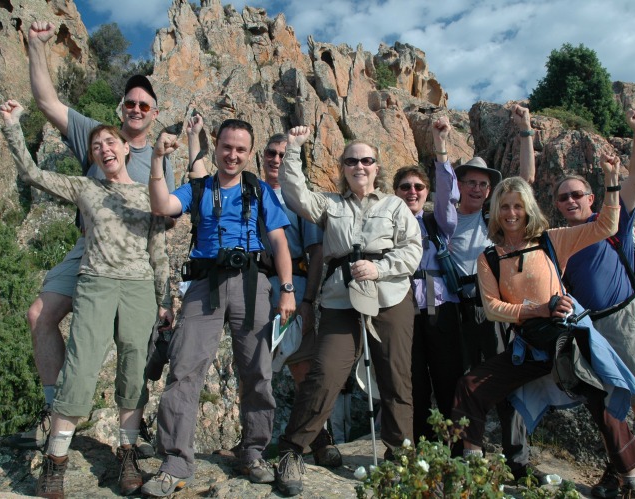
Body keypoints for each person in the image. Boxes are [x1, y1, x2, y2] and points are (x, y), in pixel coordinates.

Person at [6, 21, 175, 451]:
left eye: (144, 105)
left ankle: (129, 442)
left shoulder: (158, 164)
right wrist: (37, 45)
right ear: (120, 110)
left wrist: (165, 294)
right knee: (40, 315)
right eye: (130, 104)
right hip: (91, 250)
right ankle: (54, 413)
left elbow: (163, 223)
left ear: (153, 113)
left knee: (133, 353)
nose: (136, 109)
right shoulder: (95, 137)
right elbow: (46, 100)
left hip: (135, 259)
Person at [450, 158, 635, 485]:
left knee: (601, 401)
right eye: (504, 207)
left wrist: (612, 182)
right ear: (495, 211)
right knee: (471, 386)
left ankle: (628, 476)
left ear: (527, 209)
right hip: (529, 345)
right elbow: (493, 309)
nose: (511, 214)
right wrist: (537, 309)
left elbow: (607, 226)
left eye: (517, 206)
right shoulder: (489, 258)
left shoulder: (551, 240)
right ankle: (472, 468)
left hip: (566, 340)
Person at [141, 118, 296, 497]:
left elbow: (278, 242)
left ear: (249, 153)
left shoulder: (259, 190)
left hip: (251, 283)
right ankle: (176, 461)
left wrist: (287, 290)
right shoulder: (199, 187)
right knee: (185, 368)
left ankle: (253, 451)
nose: (233, 154)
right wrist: (158, 160)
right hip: (205, 284)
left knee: (257, 370)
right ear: (217, 145)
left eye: (241, 149)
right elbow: (162, 204)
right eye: (227, 147)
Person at [274, 126, 423, 496]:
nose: (359, 165)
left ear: (376, 167)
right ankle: (293, 450)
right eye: (352, 160)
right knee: (325, 370)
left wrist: (380, 268)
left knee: (396, 373)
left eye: (366, 160)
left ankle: (399, 451)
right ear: (342, 167)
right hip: (342, 299)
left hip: (390, 296)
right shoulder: (331, 205)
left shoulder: (395, 205)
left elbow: (411, 250)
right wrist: (293, 149)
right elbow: (295, 194)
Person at [186, 128, 341, 466]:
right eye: (271, 154)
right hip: (250, 284)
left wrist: (307, 299)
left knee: (301, 366)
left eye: (283, 155)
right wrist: (194, 139)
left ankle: (317, 439)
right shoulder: (247, 191)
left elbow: (315, 254)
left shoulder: (299, 199)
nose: (276, 160)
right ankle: (250, 444)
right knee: (252, 366)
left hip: (292, 287)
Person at [553, 108, 635, 498]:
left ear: (592, 197)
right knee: (610, 408)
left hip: (625, 318)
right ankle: (624, 475)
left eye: (577, 194)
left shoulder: (614, 220)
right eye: (563, 197)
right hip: (591, 328)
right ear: (556, 205)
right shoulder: (559, 240)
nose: (570, 200)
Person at [439, 106, 539, 480]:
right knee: (463, 383)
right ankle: (467, 453)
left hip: (494, 309)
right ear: (459, 184)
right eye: (471, 182)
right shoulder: (444, 217)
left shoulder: (494, 219)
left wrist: (525, 131)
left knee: (505, 380)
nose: (478, 189)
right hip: (457, 309)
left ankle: (519, 460)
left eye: (484, 184)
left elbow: (525, 182)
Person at [392, 118, 460, 444]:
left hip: (439, 305)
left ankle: (456, 445)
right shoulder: (386, 227)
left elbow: (448, 195)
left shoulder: (438, 222)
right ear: (395, 193)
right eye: (405, 187)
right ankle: (421, 443)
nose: (412, 192)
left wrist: (440, 148)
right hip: (403, 309)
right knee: (413, 378)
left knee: (448, 377)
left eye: (418, 187)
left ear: (426, 192)